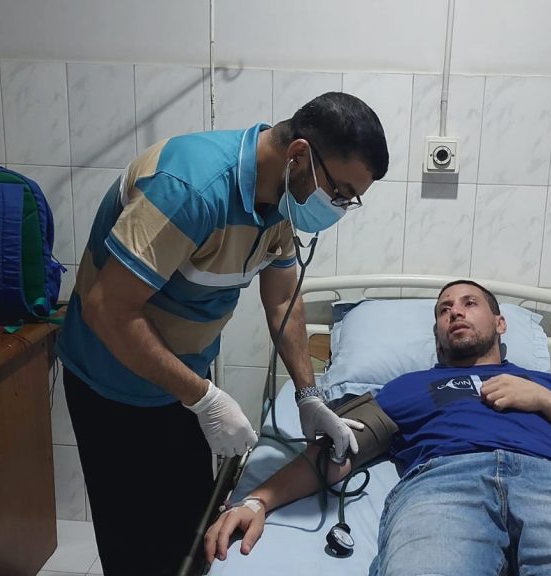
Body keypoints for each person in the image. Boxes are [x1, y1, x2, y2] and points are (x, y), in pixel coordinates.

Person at [56, 92, 389, 574]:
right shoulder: (191, 187)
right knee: (135, 547)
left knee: (191, 534)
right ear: (299, 155)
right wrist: (205, 399)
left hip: (182, 383)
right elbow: (106, 309)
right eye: (339, 192)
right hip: (111, 384)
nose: (338, 208)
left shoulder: (281, 199)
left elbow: (282, 300)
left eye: (349, 200)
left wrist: (308, 395)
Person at [205, 280, 551, 575]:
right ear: (437, 333)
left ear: (500, 322)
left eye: (469, 303)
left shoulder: (550, 385)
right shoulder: (411, 387)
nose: (455, 313)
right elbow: (339, 451)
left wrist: (545, 401)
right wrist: (257, 500)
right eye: (444, 309)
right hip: (446, 486)